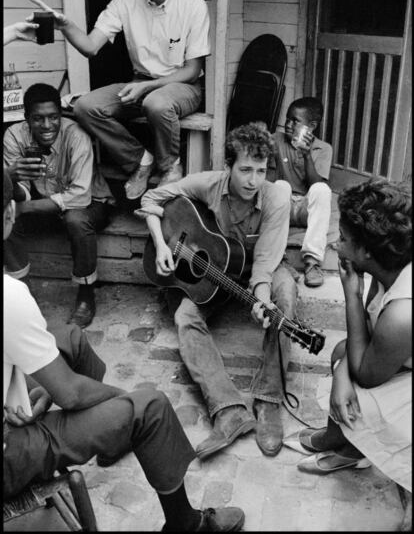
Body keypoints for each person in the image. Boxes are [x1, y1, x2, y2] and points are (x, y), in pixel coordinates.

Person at [3, 169, 245, 533]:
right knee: (151, 407)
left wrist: (22, 390)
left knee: (71, 338)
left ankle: (110, 437)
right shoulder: (9, 296)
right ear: (9, 214)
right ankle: (188, 525)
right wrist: (123, 395)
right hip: (10, 454)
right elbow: (69, 394)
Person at [138, 122, 298, 459]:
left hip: (263, 268)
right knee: (185, 316)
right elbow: (152, 197)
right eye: (245, 170)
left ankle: (268, 400)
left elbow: (267, 259)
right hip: (218, 269)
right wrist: (161, 245)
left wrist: (262, 298)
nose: (253, 180)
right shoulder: (209, 183)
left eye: (261, 170)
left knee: (284, 297)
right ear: (228, 167)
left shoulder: (276, 196)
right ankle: (228, 410)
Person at [28, 0, 210, 201]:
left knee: (157, 103)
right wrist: (65, 25)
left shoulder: (193, 6)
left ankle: (170, 166)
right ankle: (140, 160)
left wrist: (148, 86)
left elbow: (192, 70)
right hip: (139, 82)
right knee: (85, 106)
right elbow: (90, 46)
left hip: (181, 85)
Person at [283, 179, 411, 517]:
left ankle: (361, 452)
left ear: (367, 251)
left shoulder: (403, 312)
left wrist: (350, 293)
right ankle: (344, 445)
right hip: (398, 358)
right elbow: (365, 338)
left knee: (357, 387)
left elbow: (366, 375)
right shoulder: (388, 267)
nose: (336, 247)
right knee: (343, 354)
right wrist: (342, 371)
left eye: (342, 239)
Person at [3, 83, 114, 329]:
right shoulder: (14, 135)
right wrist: (11, 178)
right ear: (26, 118)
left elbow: (80, 196)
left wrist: (26, 208)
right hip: (45, 200)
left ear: (60, 116)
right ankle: (24, 294)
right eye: (38, 119)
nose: (46, 126)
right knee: (5, 214)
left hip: (91, 203)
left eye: (53, 117)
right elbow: (20, 193)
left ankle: (86, 295)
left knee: (76, 219)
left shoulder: (76, 135)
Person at [267, 97, 332, 287]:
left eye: (295, 121)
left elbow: (316, 184)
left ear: (311, 126)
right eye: (287, 119)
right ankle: (280, 259)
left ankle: (312, 262)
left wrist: (306, 155)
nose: (288, 124)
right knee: (280, 186)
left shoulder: (323, 148)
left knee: (322, 190)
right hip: (282, 206)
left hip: (305, 209)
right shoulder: (276, 140)